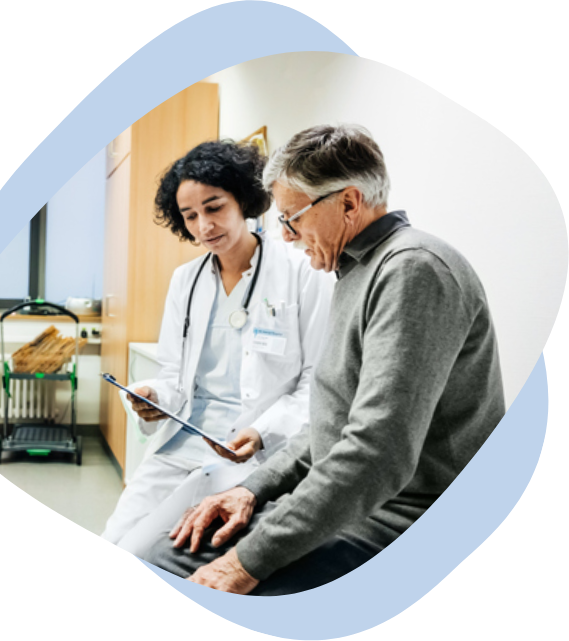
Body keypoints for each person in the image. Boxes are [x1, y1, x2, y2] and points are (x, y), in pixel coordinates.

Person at [144, 124, 506, 596]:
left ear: (349, 203)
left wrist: (246, 563)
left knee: (184, 571)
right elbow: (328, 422)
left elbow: (377, 453)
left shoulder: (412, 271)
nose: (287, 236)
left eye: (293, 219)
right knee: (167, 551)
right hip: (355, 500)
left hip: (408, 513)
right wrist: (252, 490)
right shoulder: (357, 271)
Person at [100, 140, 334, 557]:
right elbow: (174, 374)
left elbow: (317, 381)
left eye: (214, 207)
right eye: (190, 216)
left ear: (243, 199)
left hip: (252, 453)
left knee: (155, 547)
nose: (204, 226)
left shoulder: (300, 273)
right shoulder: (185, 281)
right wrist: (154, 395)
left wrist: (262, 432)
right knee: (118, 533)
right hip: (181, 442)